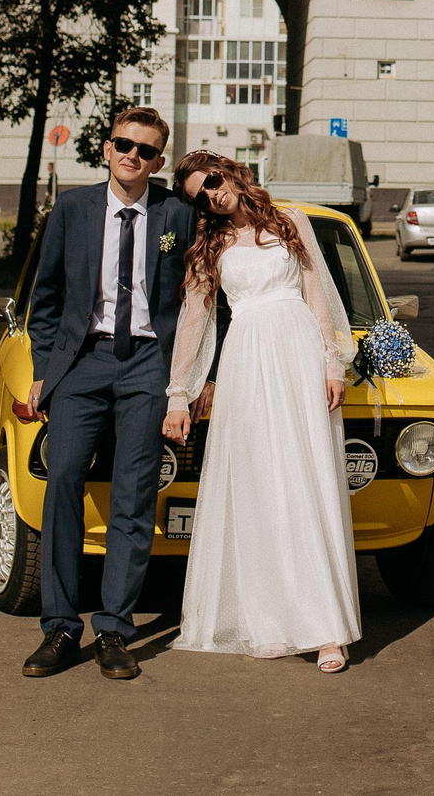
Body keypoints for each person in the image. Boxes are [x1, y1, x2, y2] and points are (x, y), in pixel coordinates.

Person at [16, 105, 196, 680]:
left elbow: (202, 295)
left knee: (133, 495)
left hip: (148, 363)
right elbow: (45, 299)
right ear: (107, 148)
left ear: (158, 161)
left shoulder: (177, 213)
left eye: (145, 151)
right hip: (83, 363)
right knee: (63, 476)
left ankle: (114, 630)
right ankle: (61, 629)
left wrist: (190, 380)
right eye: (124, 144)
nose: (132, 156)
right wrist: (48, 367)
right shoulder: (73, 208)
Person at [163, 151, 360, 671]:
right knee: (259, 487)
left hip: (298, 353)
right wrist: (178, 392)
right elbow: (193, 318)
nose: (210, 195)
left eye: (211, 181)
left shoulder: (289, 222)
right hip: (247, 361)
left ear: (229, 171)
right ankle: (269, 621)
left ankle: (325, 631)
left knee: (305, 482)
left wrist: (332, 362)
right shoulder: (212, 245)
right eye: (198, 196)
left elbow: (317, 293)